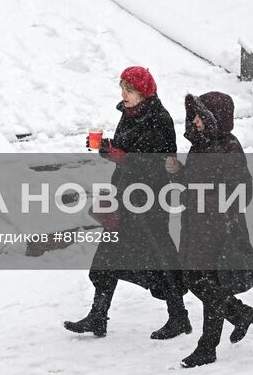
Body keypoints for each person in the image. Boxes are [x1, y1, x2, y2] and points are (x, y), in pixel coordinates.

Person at [64, 66, 189, 341]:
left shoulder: (160, 119)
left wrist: (123, 158)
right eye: (122, 88)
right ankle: (98, 315)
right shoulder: (128, 113)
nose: (124, 94)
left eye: (129, 90)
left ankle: (179, 317)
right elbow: (126, 148)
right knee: (107, 256)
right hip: (124, 198)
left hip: (150, 201)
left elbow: (160, 164)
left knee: (160, 257)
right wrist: (107, 148)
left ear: (144, 93)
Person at [165, 91, 253, 368]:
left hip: (219, 232)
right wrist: (180, 173)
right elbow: (197, 183)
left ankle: (207, 348)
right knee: (194, 280)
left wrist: (201, 198)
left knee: (210, 286)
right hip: (196, 228)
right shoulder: (201, 145)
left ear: (213, 118)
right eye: (193, 114)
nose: (194, 120)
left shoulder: (229, 148)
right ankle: (240, 314)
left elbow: (243, 193)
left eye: (199, 115)